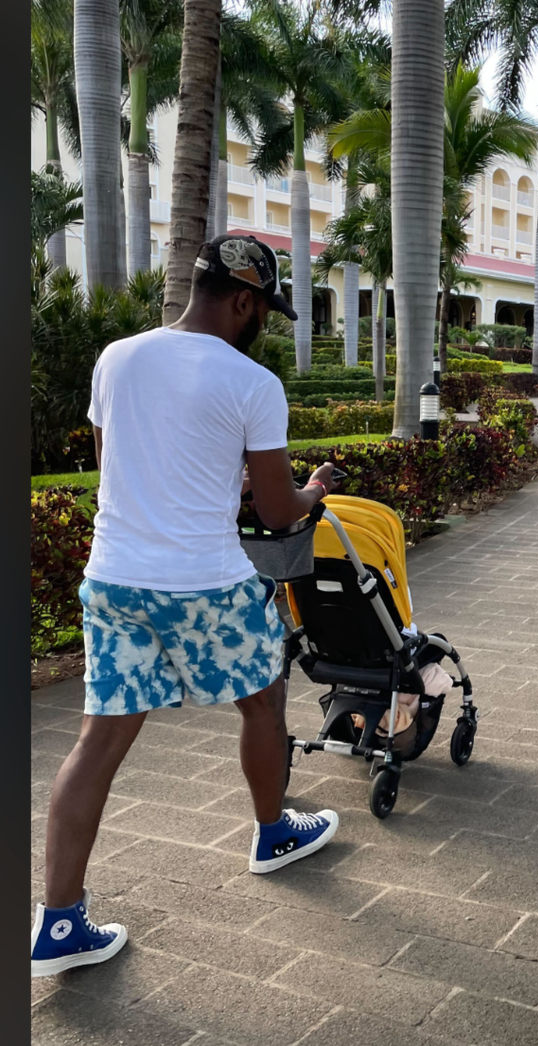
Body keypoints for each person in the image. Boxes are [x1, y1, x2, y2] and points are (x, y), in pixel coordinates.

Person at [31, 235, 341, 978]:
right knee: (263, 699)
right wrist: (316, 489)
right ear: (243, 302)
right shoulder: (252, 382)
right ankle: (273, 835)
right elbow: (276, 513)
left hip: (114, 580)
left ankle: (58, 924)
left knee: (96, 743)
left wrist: (214, 485)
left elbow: (121, 471)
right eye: (262, 309)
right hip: (204, 585)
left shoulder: (117, 357)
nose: (259, 321)